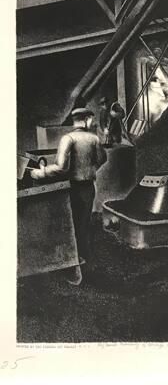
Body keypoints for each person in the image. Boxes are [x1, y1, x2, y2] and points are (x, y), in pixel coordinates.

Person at [31, 107, 107, 283]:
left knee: (70, 227)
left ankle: (73, 267)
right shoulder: (94, 138)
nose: (92, 122)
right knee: (83, 225)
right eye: (91, 119)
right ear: (86, 120)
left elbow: (61, 167)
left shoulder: (68, 138)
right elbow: (103, 158)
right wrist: (90, 169)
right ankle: (85, 262)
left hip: (73, 187)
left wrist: (41, 173)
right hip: (88, 188)